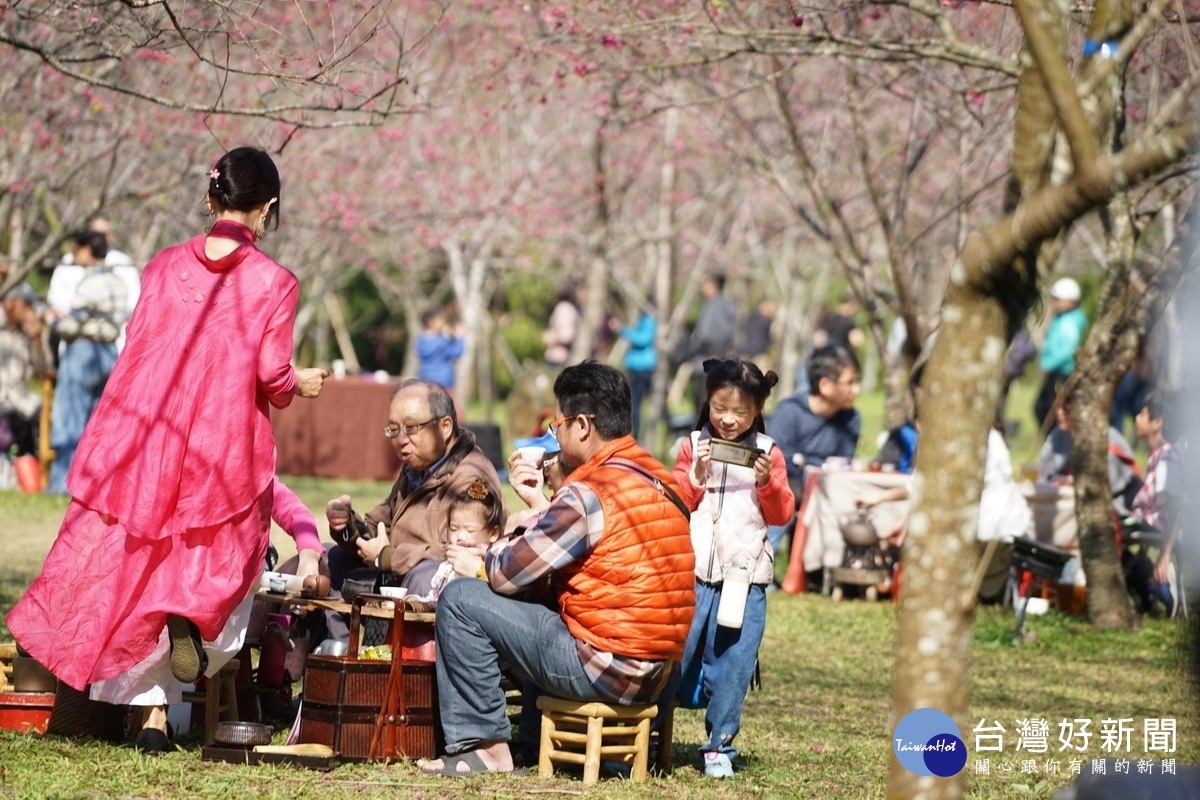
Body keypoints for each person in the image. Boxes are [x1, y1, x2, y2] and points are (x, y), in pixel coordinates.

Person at [6, 147, 329, 751]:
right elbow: (271, 373)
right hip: (220, 444)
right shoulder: (274, 282)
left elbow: (138, 345)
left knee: (135, 565)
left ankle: (150, 716)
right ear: (270, 208)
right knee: (213, 561)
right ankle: (188, 609)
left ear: (211, 200)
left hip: (143, 436)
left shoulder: (159, 266)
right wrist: (298, 383)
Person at [417, 361, 695, 777]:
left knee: (460, 600)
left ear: (582, 425)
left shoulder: (590, 492)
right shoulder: (659, 480)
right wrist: (538, 502)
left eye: (557, 423)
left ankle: (484, 748)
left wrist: (482, 559)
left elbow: (508, 573)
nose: (555, 435)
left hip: (608, 669)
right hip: (660, 674)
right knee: (545, 606)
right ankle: (531, 740)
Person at [670, 359, 795, 779]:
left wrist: (766, 483)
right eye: (720, 406)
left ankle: (719, 744)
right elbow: (675, 503)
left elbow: (781, 515)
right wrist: (697, 473)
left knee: (734, 661)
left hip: (745, 576)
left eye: (740, 412)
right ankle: (656, 729)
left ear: (757, 410)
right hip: (693, 572)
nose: (728, 419)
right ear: (708, 400)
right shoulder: (691, 446)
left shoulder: (769, 453)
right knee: (677, 657)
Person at [323, 378, 504, 636]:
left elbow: (460, 554)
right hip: (394, 574)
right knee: (330, 557)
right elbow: (380, 523)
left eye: (410, 428)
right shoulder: (417, 468)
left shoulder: (470, 478)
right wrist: (347, 526)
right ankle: (336, 657)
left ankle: (407, 672)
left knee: (424, 575)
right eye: (393, 430)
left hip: (432, 588)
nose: (400, 440)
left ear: (445, 426)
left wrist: (387, 557)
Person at [45, 230, 127, 493]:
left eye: (76, 249)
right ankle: (90, 488)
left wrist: (54, 320)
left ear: (86, 251)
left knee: (69, 420)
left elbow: (73, 324)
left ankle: (60, 484)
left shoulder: (90, 283)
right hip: (108, 355)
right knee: (98, 426)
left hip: (83, 353)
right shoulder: (118, 282)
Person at [765, 345, 863, 559]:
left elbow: (843, 462)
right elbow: (778, 461)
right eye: (850, 383)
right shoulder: (790, 412)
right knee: (784, 493)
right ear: (825, 385)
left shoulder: (851, 419)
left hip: (829, 486)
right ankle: (766, 562)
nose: (857, 390)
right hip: (790, 482)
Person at [1124, 392, 1184, 615]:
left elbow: (1177, 506)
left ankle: (1160, 585)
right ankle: (1149, 587)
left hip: (1162, 529)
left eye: (1143, 414)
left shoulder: (1168, 458)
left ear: (1157, 423)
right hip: (1150, 524)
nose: (1137, 418)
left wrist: (1165, 553)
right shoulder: (1158, 456)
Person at [1036, 401, 1142, 517]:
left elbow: (1106, 489)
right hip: (1061, 504)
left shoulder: (1108, 439)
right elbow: (1041, 472)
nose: (1059, 412)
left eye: (1066, 408)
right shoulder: (1057, 436)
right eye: (1058, 407)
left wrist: (1072, 482)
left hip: (1112, 513)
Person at [426, 479, 505, 601]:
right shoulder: (447, 566)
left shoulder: (494, 565)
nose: (460, 536)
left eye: (470, 530)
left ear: (493, 533)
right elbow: (434, 597)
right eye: (453, 529)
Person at [0, 283, 48, 457]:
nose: (29, 309)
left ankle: (26, 463)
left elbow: (44, 370)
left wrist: (37, 341)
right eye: (26, 304)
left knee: (34, 415)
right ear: (10, 303)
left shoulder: (29, 333)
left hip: (21, 400)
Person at [1033, 277, 1087, 430]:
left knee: (1049, 411)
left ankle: (1056, 439)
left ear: (1070, 301)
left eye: (1058, 299)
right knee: (1042, 408)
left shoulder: (1069, 322)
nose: (1054, 302)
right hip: (1056, 373)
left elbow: (1067, 350)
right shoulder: (1062, 318)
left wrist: (1047, 366)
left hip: (1062, 374)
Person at [676, 273, 738, 408]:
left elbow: (703, 334)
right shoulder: (729, 304)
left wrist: (690, 350)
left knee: (702, 404)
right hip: (723, 359)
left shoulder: (710, 305)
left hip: (704, 361)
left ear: (712, 286)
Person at [614, 309, 656, 439]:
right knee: (634, 402)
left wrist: (622, 330)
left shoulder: (649, 320)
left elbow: (643, 339)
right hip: (635, 368)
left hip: (642, 369)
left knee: (636, 402)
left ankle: (635, 434)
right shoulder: (642, 319)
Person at [416, 308, 465, 397]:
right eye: (441, 320)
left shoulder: (421, 341)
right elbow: (456, 352)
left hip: (429, 380)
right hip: (442, 381)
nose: (443, 323)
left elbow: (455, 353)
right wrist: (458, 338)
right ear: (432, 322)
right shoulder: (442, 340)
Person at [542, 287, 581, 368]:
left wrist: (550, 337)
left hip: (559, 359)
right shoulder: (570, 308)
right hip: (563, 358)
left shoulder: (563, 308)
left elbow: (567, 335)